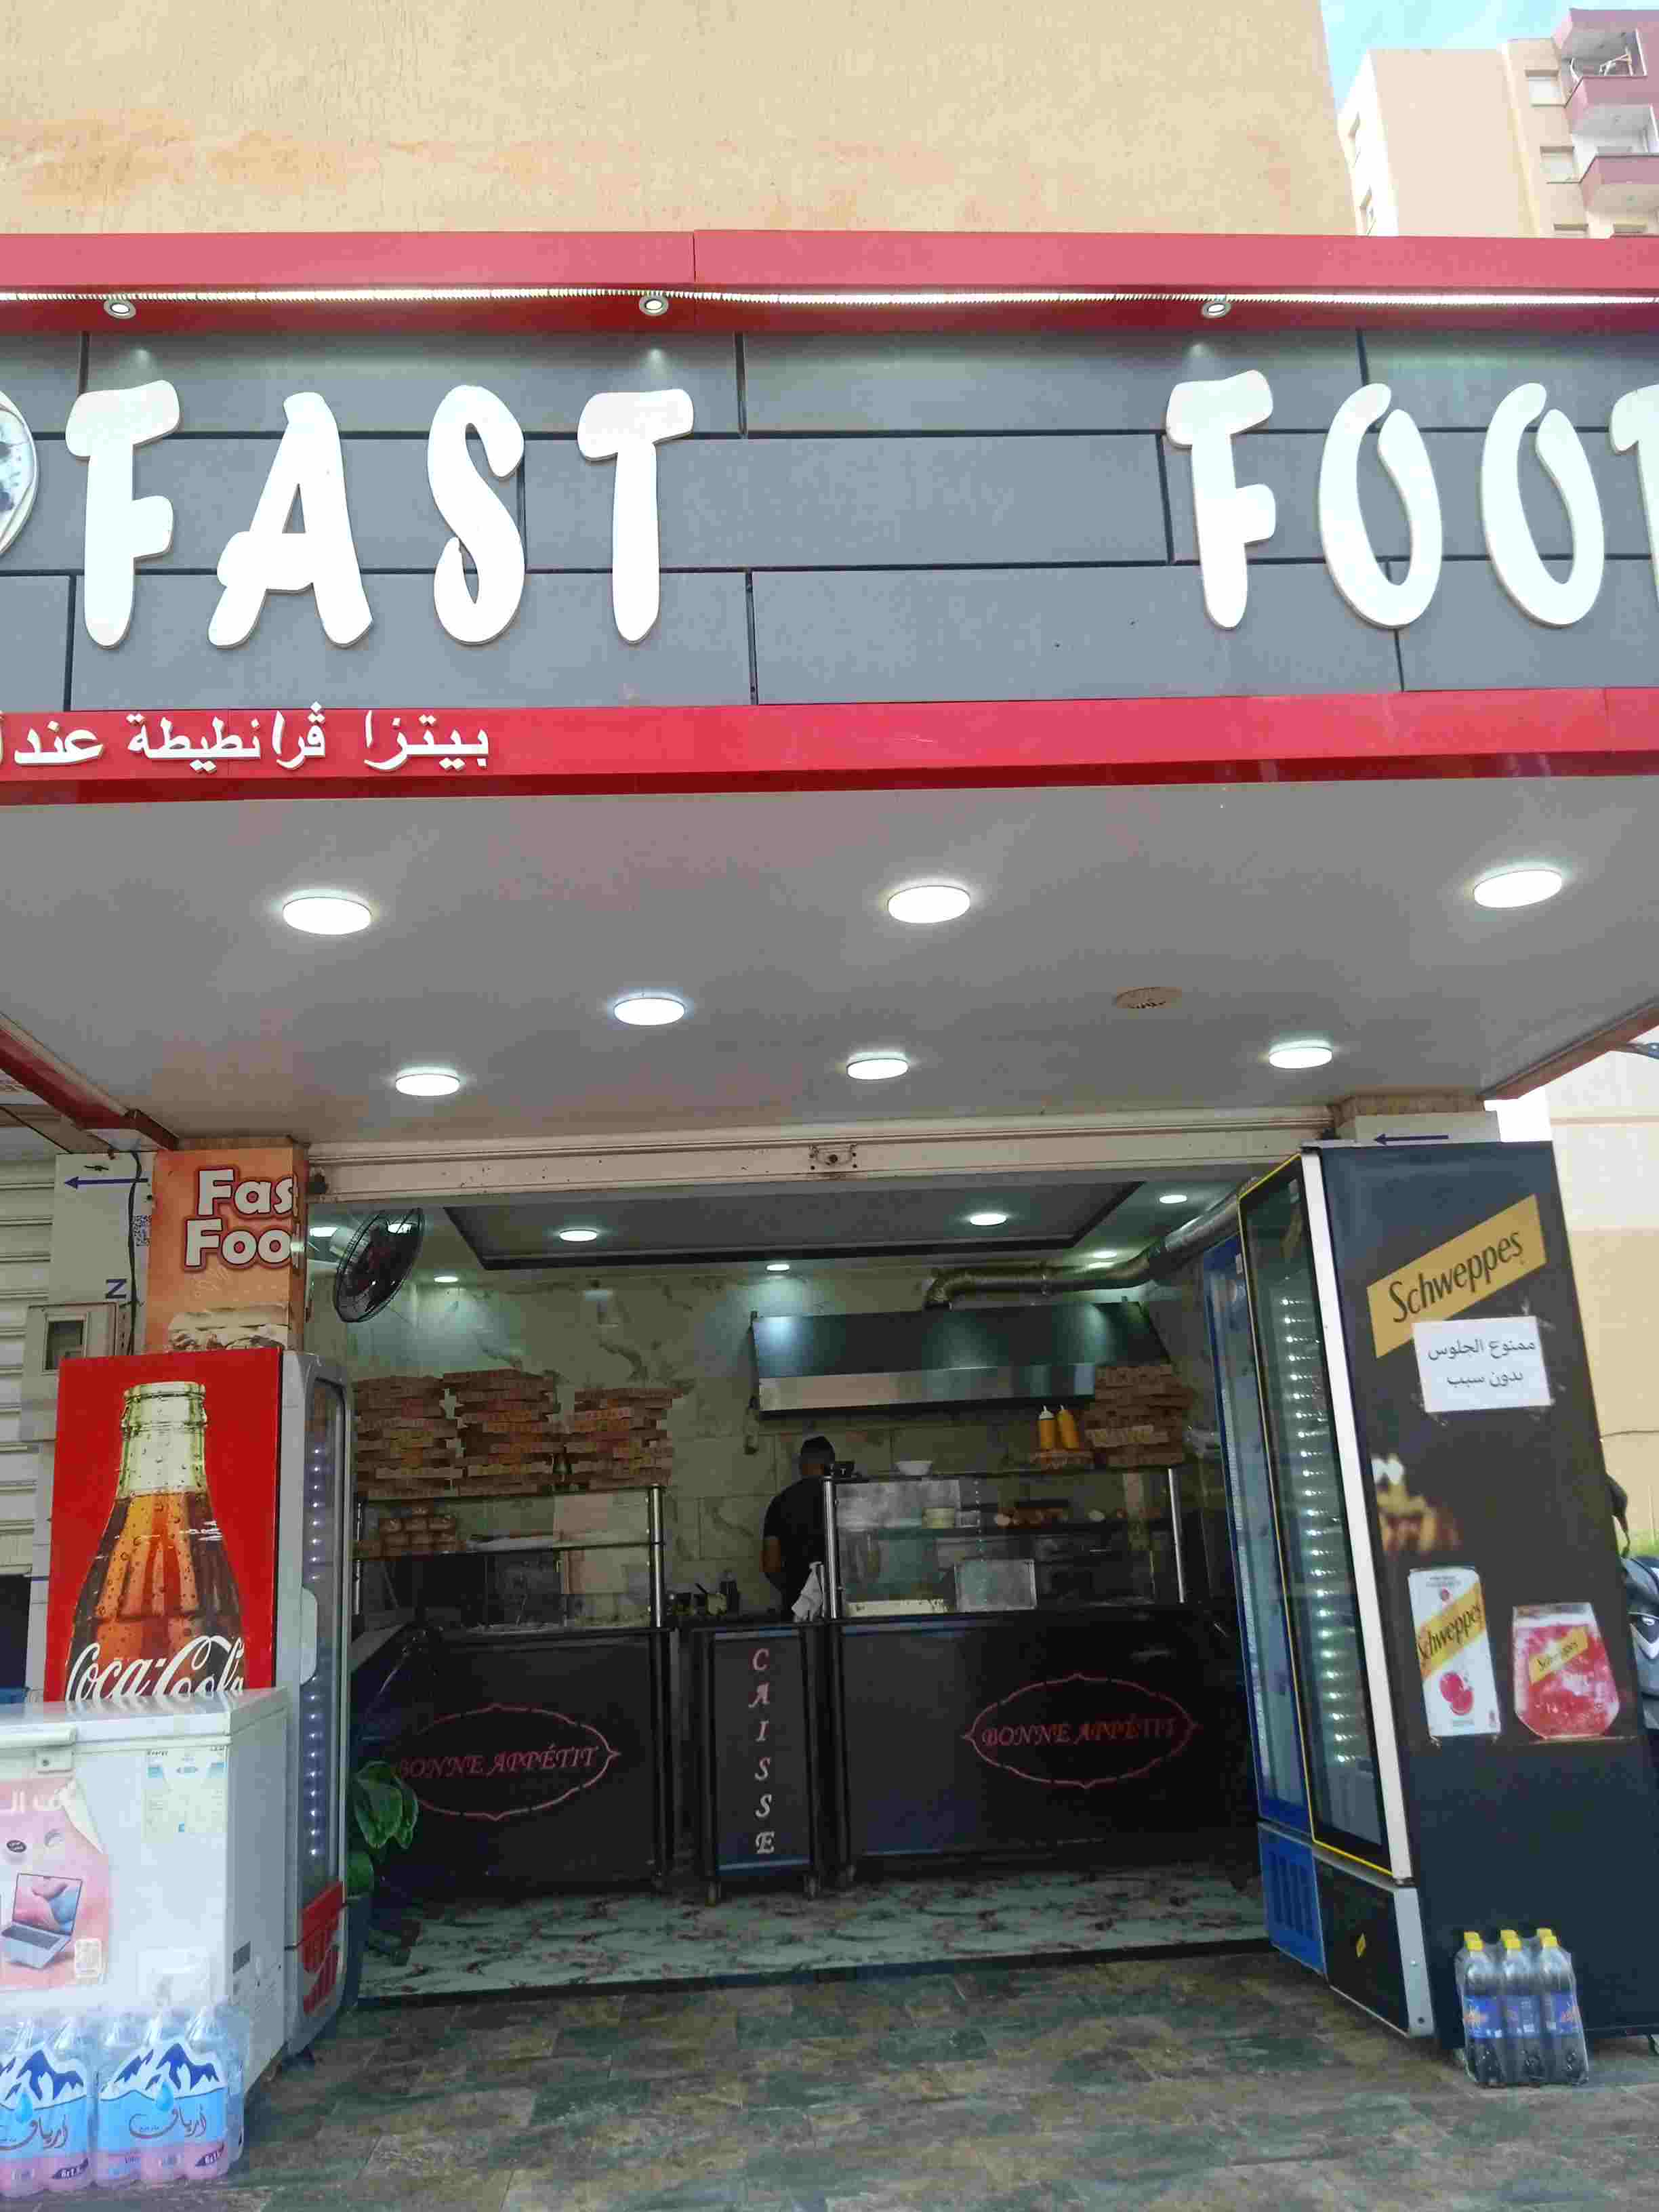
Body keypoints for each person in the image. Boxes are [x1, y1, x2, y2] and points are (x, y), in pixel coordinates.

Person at [761, 1436, 836, 1616]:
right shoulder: (841, 1497)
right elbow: (870, 1563)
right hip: (840, 1606)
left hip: (797, 1610)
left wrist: (795, 1593)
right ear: (831, 1465)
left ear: (801, 1465)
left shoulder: (780, 1503)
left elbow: (771, 1565)